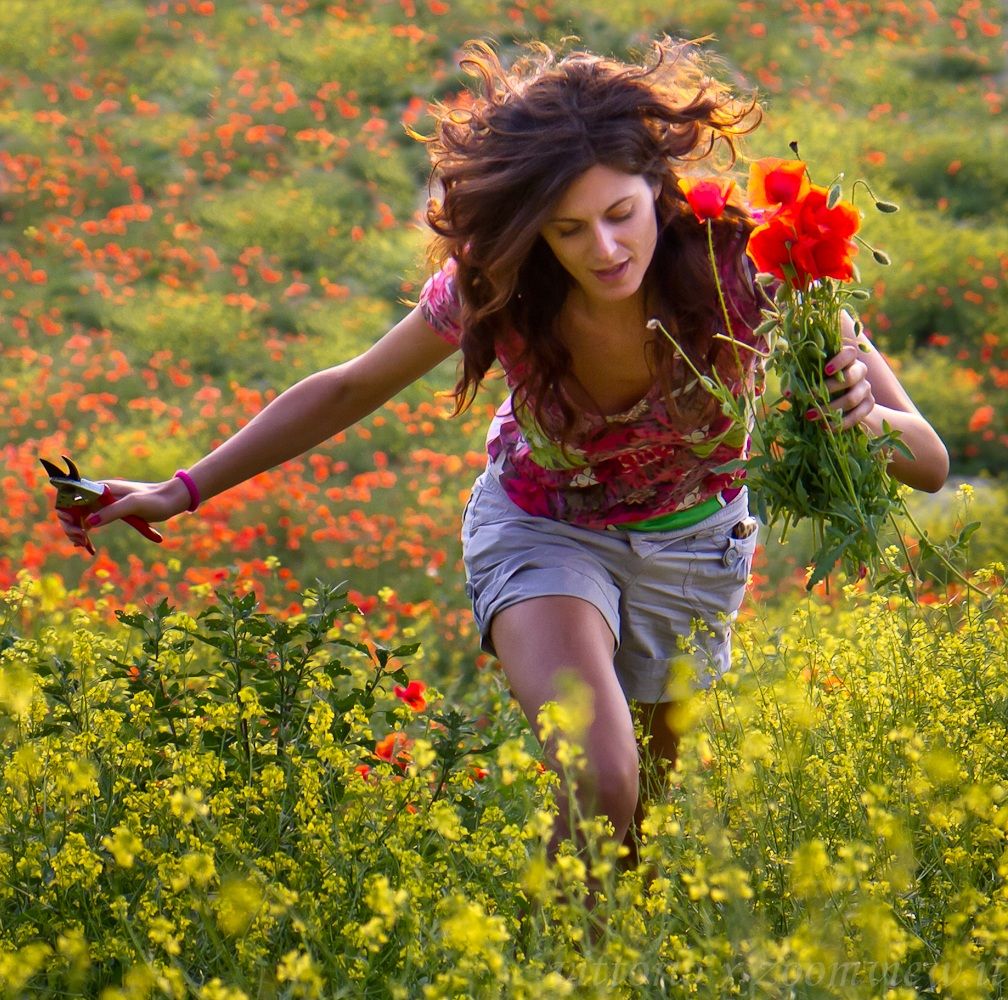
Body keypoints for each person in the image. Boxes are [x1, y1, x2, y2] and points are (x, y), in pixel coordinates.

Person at [57, 38, 949, 857]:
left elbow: (927, 460)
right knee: (603, 780)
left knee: (637, 825)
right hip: (545, 534)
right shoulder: (499, 283)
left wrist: (861, 420)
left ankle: (591, 966)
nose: (603, 249)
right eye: (568, 229)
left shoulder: (752, 264)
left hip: (696, 550)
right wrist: (185, 487)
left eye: (621, 213)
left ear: (659, 191)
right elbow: (352, 384)